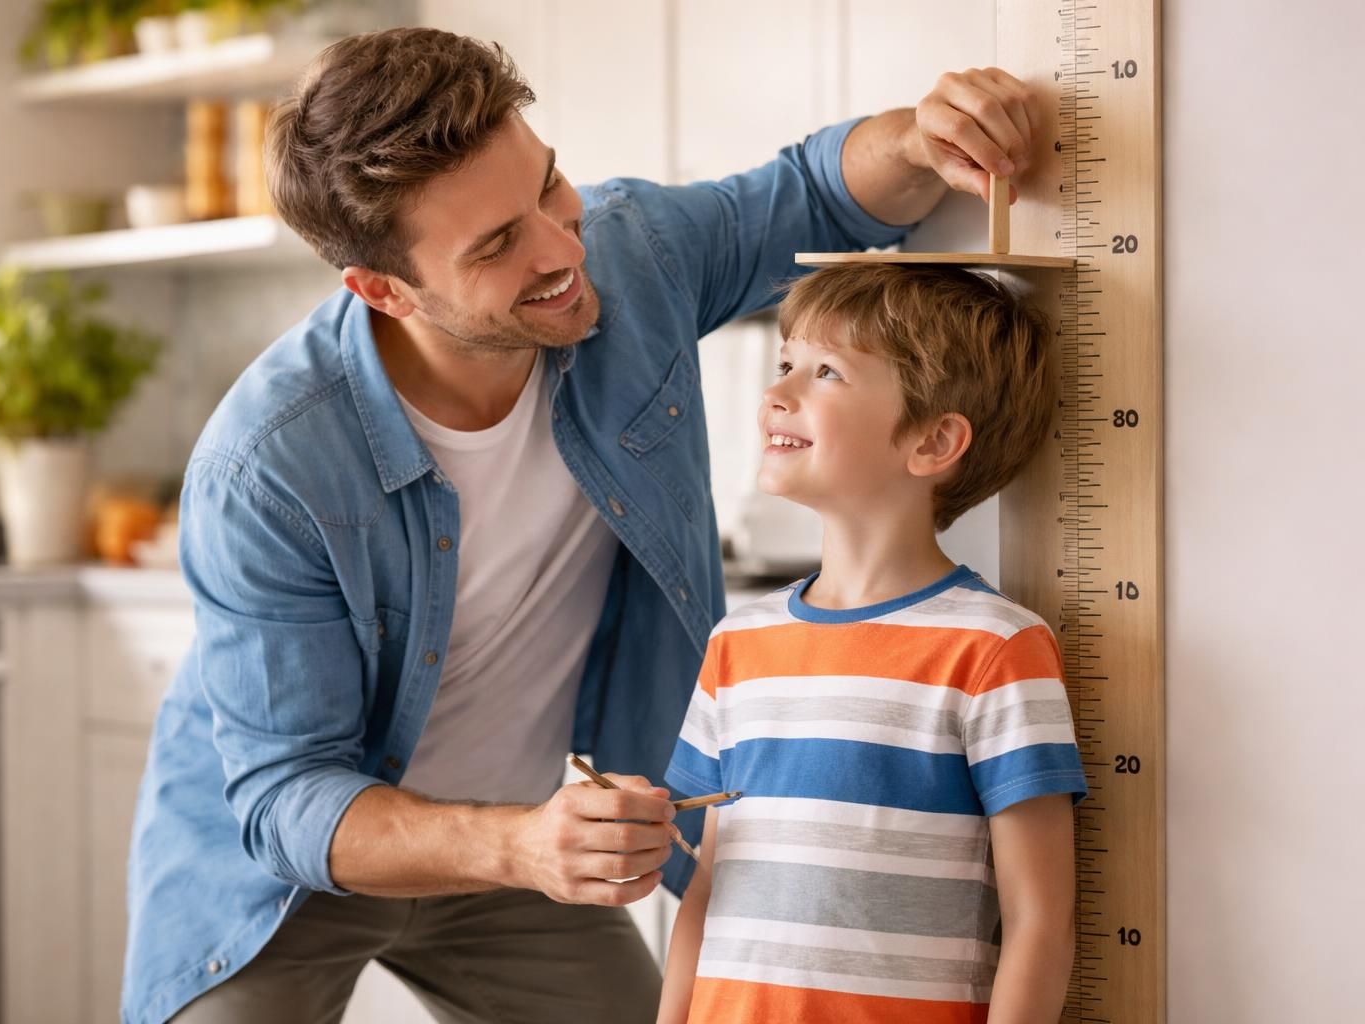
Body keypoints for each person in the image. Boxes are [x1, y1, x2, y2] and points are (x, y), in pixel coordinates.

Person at [121, 24, 1045, 1024]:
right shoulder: (269, 467)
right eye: (495, 245)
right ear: (383, 290)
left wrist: (919, 138)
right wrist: (523, 844)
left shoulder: (625, 252)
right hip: (286, 882)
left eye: (548, 187)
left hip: (522, 859)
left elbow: (822, 195)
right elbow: (284, 798)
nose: (563, 249)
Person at [656, 263, 1087, 1024]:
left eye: (826, 372)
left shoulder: (993, 649)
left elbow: (1040, 926)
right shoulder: (738, 643)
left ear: (932, 441)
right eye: (785, 362)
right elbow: (707, 887)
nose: (776, 392)